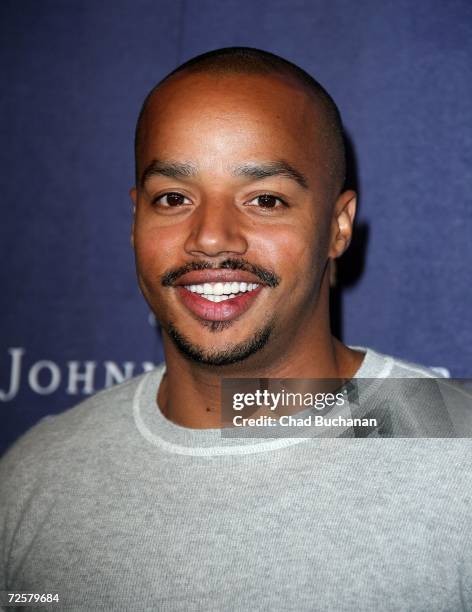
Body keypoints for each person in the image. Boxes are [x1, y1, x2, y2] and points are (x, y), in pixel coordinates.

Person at [0, 47, 471, 611]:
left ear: (337, 227)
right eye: (173, 198)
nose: (212, 237)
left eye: (265, 199)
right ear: (135, 221)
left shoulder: (455, 451)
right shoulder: (34, 476)